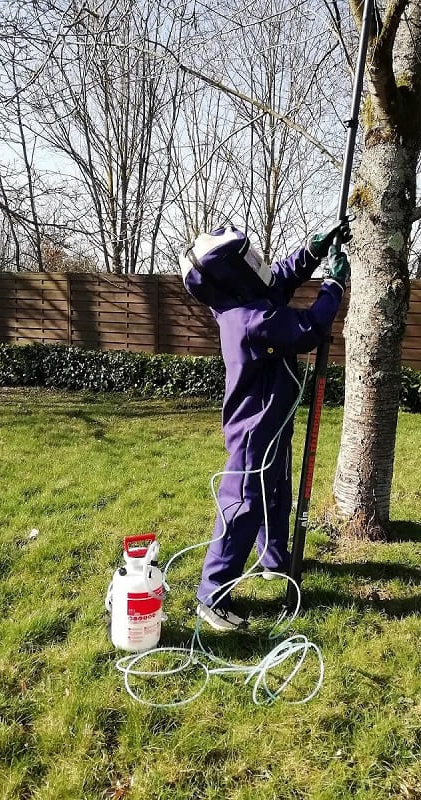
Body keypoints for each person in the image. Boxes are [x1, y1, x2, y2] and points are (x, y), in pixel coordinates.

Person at [179, 221, 351, 631]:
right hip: (255, 430)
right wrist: (333, 287)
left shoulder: (247, 302)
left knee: (275, 494)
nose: (258, 264)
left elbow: (279, 282)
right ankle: (212, 593)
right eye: (249, 260)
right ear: (233, 274)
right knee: (243, 505)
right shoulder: (250, 320)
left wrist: (312, 251)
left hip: (275, 422)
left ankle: (274, 560)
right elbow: (308, 328)